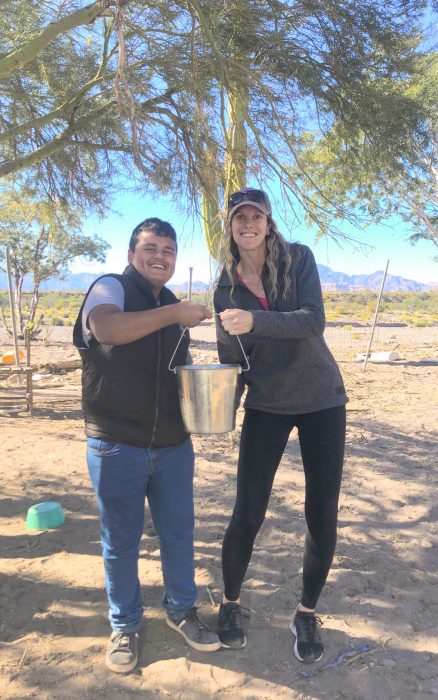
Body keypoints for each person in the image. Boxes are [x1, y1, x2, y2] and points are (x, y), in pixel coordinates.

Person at [73, 217, 220, 674]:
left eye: (168, 251)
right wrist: (174, 315)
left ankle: (181, 610)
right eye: (150, 248)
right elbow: (107, 331)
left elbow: (182, 370)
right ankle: (125, 624)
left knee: (178, 534)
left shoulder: (171, 301)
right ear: (132, 253)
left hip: (173, 446)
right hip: (117, 443)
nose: (160, 257)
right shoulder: (109, 288)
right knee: (120, 541)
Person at [214, 189, 348, 663]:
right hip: (266, 404)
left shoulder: (299, 260)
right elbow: (231, 358)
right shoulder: (225, 288)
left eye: (256, 216)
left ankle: (306, 612)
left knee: (321, 513)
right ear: (230, 227)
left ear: (269, 224)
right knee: (247, 509)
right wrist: (217, 403)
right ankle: (230, 605)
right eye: (239, 218)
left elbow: (313, 321)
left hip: (321, 399)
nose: (247, 224)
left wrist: (255, 320)